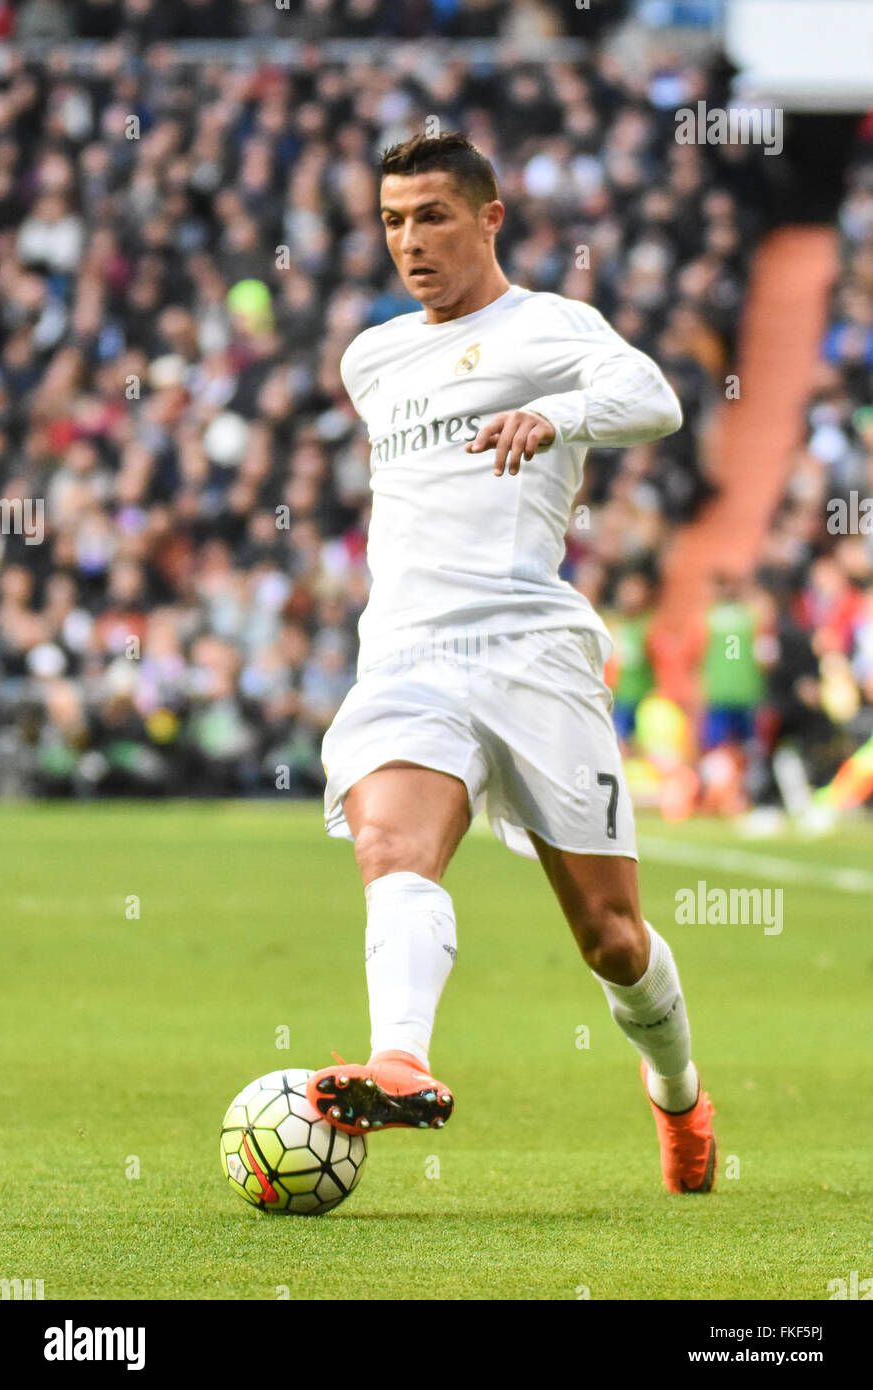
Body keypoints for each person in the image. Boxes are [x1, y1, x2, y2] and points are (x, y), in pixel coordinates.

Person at [306, 134, 717, 1194]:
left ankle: (679, 1095)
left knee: (613, 940)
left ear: (490, 218)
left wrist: (560, 416)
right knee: (392, 847)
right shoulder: (371, 357)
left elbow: (659, 402)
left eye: (433, 215)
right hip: (406, 653)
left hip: (534, 652)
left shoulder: (551, 327)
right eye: (393, 220)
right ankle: (400, 1055)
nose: (410, 240)